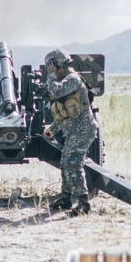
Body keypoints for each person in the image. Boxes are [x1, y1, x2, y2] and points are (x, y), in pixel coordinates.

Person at [42, 49, 98, 216]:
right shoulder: (67, 81)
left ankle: (82, 204)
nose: (49, 70)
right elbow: (66, 112)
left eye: (50, 66)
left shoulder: (72, 79)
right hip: (73, 131)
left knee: (73, 164)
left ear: (57, 65)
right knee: (66, 162)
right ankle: (66, 198)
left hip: (82, 131)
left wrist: (51, 75)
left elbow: (55, 92)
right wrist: (53, 128)